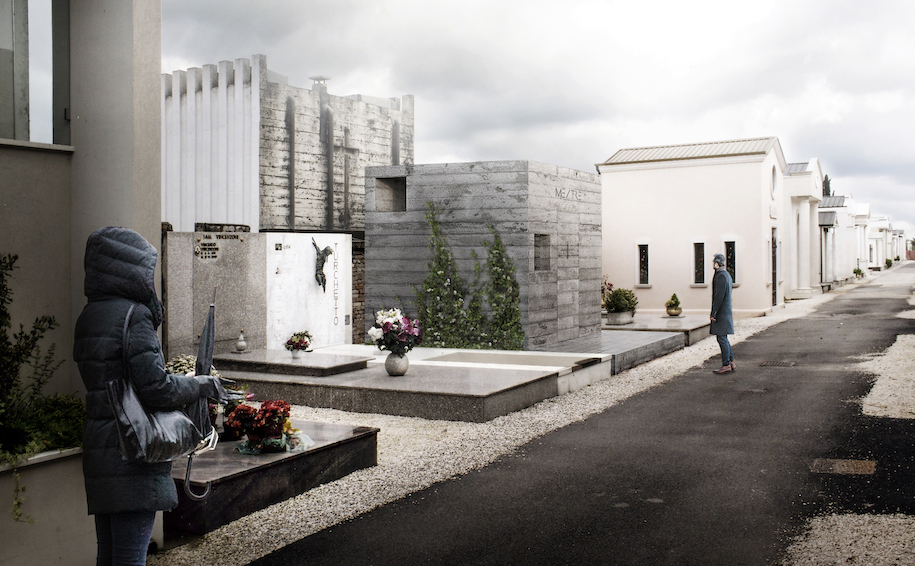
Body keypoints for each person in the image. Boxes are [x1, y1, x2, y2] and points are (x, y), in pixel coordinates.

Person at [74, 227, 232, 566]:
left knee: (109, 555)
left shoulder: (90, 315)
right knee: (131, 559)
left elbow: (114, 381)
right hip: (133, 450)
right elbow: (156, 388)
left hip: (100, 445)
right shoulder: (135, 316)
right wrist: (203, 384)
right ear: (132, 269)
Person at [710, 253, 735, 374]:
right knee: (723, 337)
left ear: (716, 263)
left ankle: (726, 364)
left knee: (721, 338)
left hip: (721, 313)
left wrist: (713, 313)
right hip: (725, 311)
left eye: (713, 262)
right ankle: (731, 361)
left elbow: (718, 296)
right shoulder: (726, 275)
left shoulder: (721, 276)